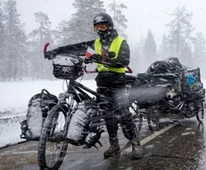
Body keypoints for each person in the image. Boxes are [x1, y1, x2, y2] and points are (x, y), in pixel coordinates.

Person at [44, 12, 143, 160]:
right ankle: (114, 144)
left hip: (117, 81)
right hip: (102, 82)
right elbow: (76, 48)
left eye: (103, 27)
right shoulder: (95, 44)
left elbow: (123, 61)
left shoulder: (120, 42)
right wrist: (56, 51)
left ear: (109, 27)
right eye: (97, 28)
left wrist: (102, 59)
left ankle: (136, 143)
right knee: (109, 115)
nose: (100, 31)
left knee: (122, 113)